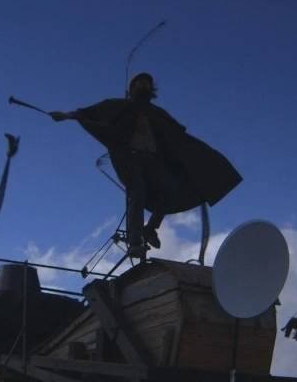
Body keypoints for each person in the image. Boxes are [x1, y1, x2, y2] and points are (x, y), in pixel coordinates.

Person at [52, 73, 241, 257]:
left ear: (152, 90)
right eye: (139, 82)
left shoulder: (157, 113)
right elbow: (87, 112)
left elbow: (177, 133)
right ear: (131, 89)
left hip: (153, 159)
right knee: (137, 192)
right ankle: (135, 243)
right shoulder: (117, 105)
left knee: (170, 190)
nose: (143, 85)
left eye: (146, 83)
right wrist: (65, 115)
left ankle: (150, 229)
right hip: (129, 158)